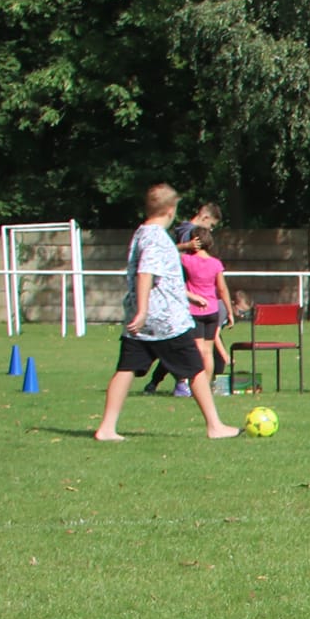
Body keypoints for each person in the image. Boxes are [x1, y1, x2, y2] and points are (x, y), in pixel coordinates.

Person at [95, 184, 238, 441]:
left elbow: (161, 280)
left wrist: (186, 296)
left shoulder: (142, 233)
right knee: (195, 369)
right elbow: (146, 273)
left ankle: (106, 428)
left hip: (145, 321)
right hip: (165, 322)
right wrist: (143, 310)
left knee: (126, 368)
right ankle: (215, 426)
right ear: (171, 210)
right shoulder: (157, 238)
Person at [146, 224, 233, 396]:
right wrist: (229, 311)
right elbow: (222, 289)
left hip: (194, 311)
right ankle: (205, 387)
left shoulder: (187, 260)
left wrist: (184, 246)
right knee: (208, 352)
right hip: (212, 311)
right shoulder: (216, 264)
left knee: (197, 351)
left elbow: (165, 252)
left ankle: (193, 387)